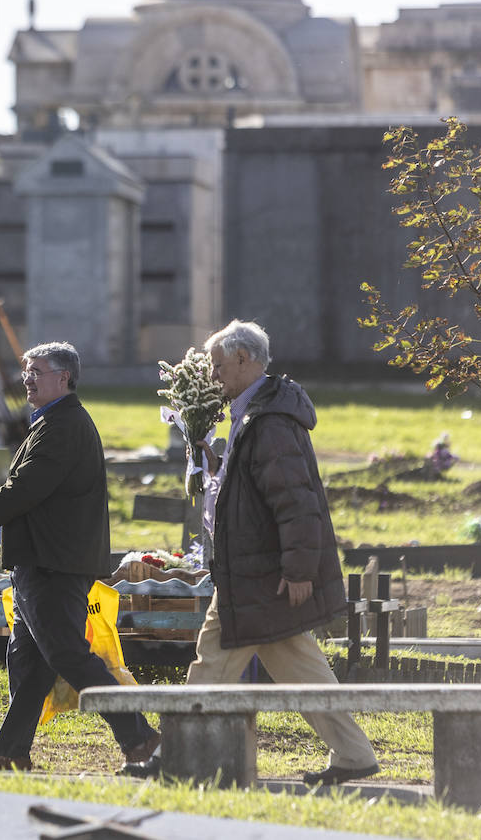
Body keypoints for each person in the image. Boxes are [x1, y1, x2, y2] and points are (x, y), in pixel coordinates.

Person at [123, 320, 379, 785]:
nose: (214, 376)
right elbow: (257, 489)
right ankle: (354, 754)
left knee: (209, 666)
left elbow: (296, 502)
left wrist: (299, 568)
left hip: (260, 576)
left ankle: (176, 755)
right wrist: (215, 463)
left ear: (245, 360)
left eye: (219, 367)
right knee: (303, 671)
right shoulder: (255, 412)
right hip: (258, 574)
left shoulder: (269, 420)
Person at [0, 341, 160, 772]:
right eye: (26, 370)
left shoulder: (62, 425)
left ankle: (142, 739)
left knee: (68, 655)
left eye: (37, 371)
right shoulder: (53, 422)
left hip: (53, 564)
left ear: (63, 378)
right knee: (30, 664)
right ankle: (11, 753)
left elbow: (25, 488)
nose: (26, 378)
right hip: (46, 561)